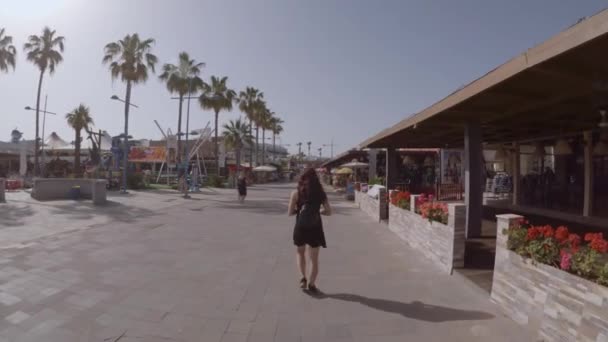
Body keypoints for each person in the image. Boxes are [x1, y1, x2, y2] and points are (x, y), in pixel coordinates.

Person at [288, 168, 332, 293]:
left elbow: (290, 212)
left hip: (300, 226)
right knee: (314, 259)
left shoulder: (295, 193)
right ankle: (312, 284)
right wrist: (318, 211)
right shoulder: (321, 193)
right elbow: (329, 211)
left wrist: (299, 211)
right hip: (315, 227)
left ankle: (303, 278)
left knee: (300, 253)